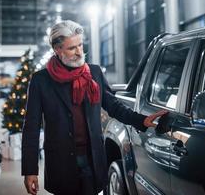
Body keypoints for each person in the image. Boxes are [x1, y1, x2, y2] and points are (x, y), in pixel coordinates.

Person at [21, 20, 168, 195]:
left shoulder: (94, 73)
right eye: (71, 48)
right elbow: (31, 128)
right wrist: (30, 170)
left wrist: (141, 120)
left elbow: (113, 106)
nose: (78, 52)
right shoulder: (41, 80)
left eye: (80, 45)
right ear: (57, 50)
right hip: (61, 162)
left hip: (92, 157)